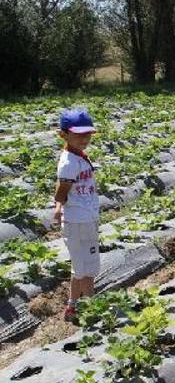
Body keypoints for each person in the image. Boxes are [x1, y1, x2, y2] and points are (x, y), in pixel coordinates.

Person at [53, 109, 100, 322]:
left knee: (79, 267)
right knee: (86, 269)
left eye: (87, 134)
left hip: (84, 219)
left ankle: (72, 306)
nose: (85, 138)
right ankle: (93, 307)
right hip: (78, 221)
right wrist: (59, 205)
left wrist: (59, 206)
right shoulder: (69, 162)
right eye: (79, 134)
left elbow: (63, 184)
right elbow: (62, 188)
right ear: (64, 135)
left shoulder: (78, 156)